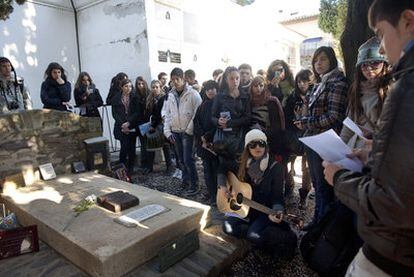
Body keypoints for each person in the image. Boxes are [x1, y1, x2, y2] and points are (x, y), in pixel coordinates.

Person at [323, 1, 414, 275]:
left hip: (393, 253)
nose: (383, 49)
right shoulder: (364, 91)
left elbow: (390, 205)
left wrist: (338, 178)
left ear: (408, 21)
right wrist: (374, 154)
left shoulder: (405, 89)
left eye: (382, 34)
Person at [294, 46, 348, 230]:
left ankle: (323, 228)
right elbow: (310, 111)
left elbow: (334, 116)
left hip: (326, 142)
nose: (318, 63)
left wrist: (307, 122)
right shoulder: (318, 84)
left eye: (323, 59)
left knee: (325, 187)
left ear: (332, 60)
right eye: (316, 60)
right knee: (317, 184)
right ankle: (317, 221)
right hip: (313, 140)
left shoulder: (337, 83)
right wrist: (303, 120)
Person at [220, 129, 296, 259]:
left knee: (253, 236)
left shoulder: (276, 167)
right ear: (247, 147)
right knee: (227, 227)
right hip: (246, 209)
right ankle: (256, 230)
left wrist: (277, 210)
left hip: (263, 210)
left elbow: (277, 196)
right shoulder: (241, 163)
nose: (257, 147)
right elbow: (221, 168)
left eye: (261, 143)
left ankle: (287, 237)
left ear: (266, 145)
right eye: (252, 144)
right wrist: (222, 186)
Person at [340, 37, 389, 149]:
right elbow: (348, 128)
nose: (369, 68)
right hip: (356, 152)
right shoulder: (356, 90)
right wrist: (338, 150)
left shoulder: (393, 89)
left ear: (384, 63)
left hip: (381, 153)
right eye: (364, 65)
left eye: (375, 63)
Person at [163, 67, 202, 195]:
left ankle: (194, 184)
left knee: (188, 159)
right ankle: (185, 182)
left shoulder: (192, 94)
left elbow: (197, 113)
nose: (175, 82)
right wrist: (167, 131)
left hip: (187, 132)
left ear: (183, 78)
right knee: (180, 159)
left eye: (177, 79)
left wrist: (190, 129)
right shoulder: (170, 95)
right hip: (175, 131)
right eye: (173, 79)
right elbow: (168, 114)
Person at [212, 66, 251, 190]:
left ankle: (240, 195)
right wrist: (218, 121)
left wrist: (231, 123)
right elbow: (212, 116)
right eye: (232, 78)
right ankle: (224, 195)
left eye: (237, 78)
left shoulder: (245, 96)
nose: (235, 81)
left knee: (239, 167)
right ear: (226, 80)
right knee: (224, 168)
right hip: (224, 139)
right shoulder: (219, 96)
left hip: (240, 137)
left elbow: (248, 118)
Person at [284, 69, 314, 209]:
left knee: (306, 168)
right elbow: (287, 116)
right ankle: (289, 187)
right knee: (287, 163)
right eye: (299, 81)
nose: (302, 84)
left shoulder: (315, 95)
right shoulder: (292, 97)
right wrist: (295, 121)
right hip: (294, 136)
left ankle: (304, 195)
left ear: (311, 81)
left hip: (310, 135)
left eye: (305, 81)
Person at [194, 80, 219, 206]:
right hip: (203, 144)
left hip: (215, 144)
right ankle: (212, 195)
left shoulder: (220, 105)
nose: (210, 91)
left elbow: (220, 124)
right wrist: (202, 136)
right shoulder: (202, 106)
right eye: (208, 89)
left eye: (213, 88)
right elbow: (196, 122)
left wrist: (208, 136)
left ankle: (218, 196)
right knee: (207, 171)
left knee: (216, 171)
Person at [249, 75, 285, 162]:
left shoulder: (271, 101)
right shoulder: (249, 101)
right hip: (254, 140)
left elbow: (277, 125)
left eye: (261, 85)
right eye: (255, 86)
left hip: (271, 140)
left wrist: (264, 135)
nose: (258, 88)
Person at [111, 79, 139, 174]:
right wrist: (123, 124)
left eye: (130, 86)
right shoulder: (116, 98)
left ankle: (131, 168)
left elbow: (137, 112)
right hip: (121, 126)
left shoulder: (135, 97)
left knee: (132, 148)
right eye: (126, 86)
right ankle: (121, 168)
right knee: (124, 147)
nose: (128, 88)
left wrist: (129, 122)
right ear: (122, 87)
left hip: (132, 125)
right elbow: (115, 114)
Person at [145, 80, 172, 174]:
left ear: (160, 88)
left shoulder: (164, 98)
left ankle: (169, 167)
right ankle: (149, 167)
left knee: (165, 146)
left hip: (162, 124)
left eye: (157, 87)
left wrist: (155, 124)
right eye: (153, 87)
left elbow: (161, 113)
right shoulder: (149, 99)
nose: (155, 89)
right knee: (150, 144)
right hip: (152, 124)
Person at [135, 76, 150, 172]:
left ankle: (148, 164)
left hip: (148, 122)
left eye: (142, 83)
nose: (141, 86)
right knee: (143, 144)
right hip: (140, 123)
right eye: (138, 84)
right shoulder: (135, 96)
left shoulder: (149, 94)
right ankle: (144, 163)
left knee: (148, 144)